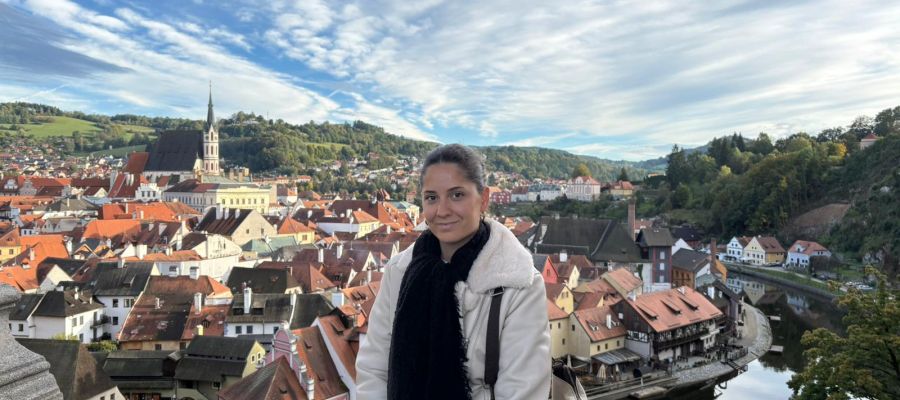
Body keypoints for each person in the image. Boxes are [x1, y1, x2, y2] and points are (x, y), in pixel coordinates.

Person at [357, 144, 551, 399]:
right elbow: (373, 370)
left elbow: (522, 392)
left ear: (484, 198)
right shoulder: (399, 272)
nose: (442, 210)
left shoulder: (519, 283)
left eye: (457, 195)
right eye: (432, 197)